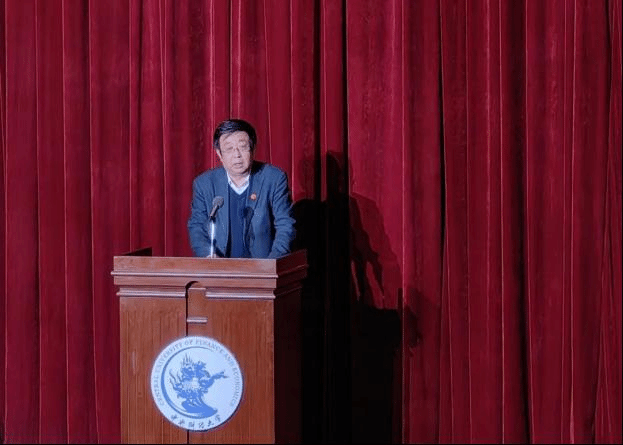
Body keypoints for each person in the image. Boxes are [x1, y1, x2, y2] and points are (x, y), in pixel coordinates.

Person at [187, 118, 296, 258]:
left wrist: (271, 264)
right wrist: (209, 256)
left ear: (253, 149)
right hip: (221, 267)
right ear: (219, 154)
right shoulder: (204, 184)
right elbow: (197, 227)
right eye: (229, 149)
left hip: (263, 265)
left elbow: (285, 225)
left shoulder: (273, 178)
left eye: (243, 147)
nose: (237, 155)